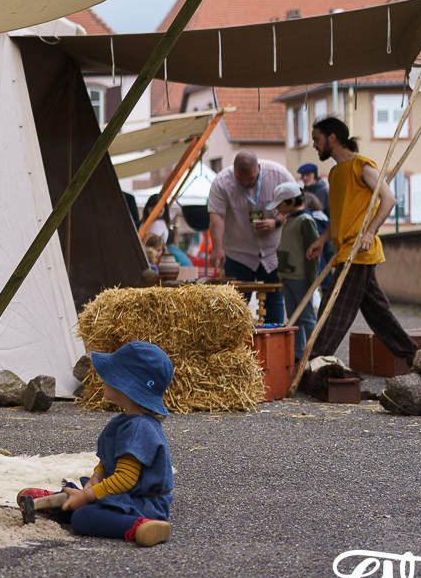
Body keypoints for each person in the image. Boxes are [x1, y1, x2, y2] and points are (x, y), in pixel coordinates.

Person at [300, 117, 418, 371]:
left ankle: (314, 362)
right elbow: (339, 216)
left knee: (334, 310)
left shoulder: (362, 166)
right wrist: (322, 240)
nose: (314, 146)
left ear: (333, 138)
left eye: (317, 140)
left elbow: (388, 199)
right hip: (345, 251)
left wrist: (371, 231)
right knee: (379, 315)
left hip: (360, 252)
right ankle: (415, 357)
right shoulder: (334, 173)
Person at [32, 341, 174, 547]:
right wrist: (97, 476)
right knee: (80, 496)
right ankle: (61, 500)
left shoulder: (138, 428)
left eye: (111, 376)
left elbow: (125, 479)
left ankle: (142, 526)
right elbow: (111, 462)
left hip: (144, 503)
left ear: (126, 386)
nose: (103, 379)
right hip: (125, 494)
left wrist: (88, 495)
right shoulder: (126, 421)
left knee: (84, 517)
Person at [206, 151, 296, 318]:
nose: (246, 183)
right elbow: (216, 216)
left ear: (259, 168)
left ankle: (271, 340)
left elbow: (297, 206)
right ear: (234, 171)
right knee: (234, 307)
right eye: (240, 179)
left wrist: (276, 222)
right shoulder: (222, 182)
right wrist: (217, 248)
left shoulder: (279, 175)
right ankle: (236, 344)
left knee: (274, 302)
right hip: (238, 253)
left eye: (251, 179)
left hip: (273, 253)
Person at [269, 181, 320, 358]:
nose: (277, 210)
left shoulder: (305, 220)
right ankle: (298, 354)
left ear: (291, 201)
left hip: (301, 277)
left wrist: (312, 280)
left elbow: (314, 252)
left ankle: (316, 353)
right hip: (287, 275)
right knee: (293, 318)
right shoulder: (290, 219)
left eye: (280, 205)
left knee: (306, 317)